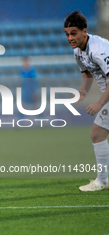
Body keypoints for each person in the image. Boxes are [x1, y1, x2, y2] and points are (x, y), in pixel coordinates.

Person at [64, 10, 109, 191]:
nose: (70, 38)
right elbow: (87, 73)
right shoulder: (78, 52)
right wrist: (84, 91)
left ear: (84, 31)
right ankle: (103, 180)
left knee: (97, 134)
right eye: (67, 34)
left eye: (73, 33)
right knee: (98, 134)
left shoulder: (99, 49)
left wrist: (99, 103)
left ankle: (102, 181)